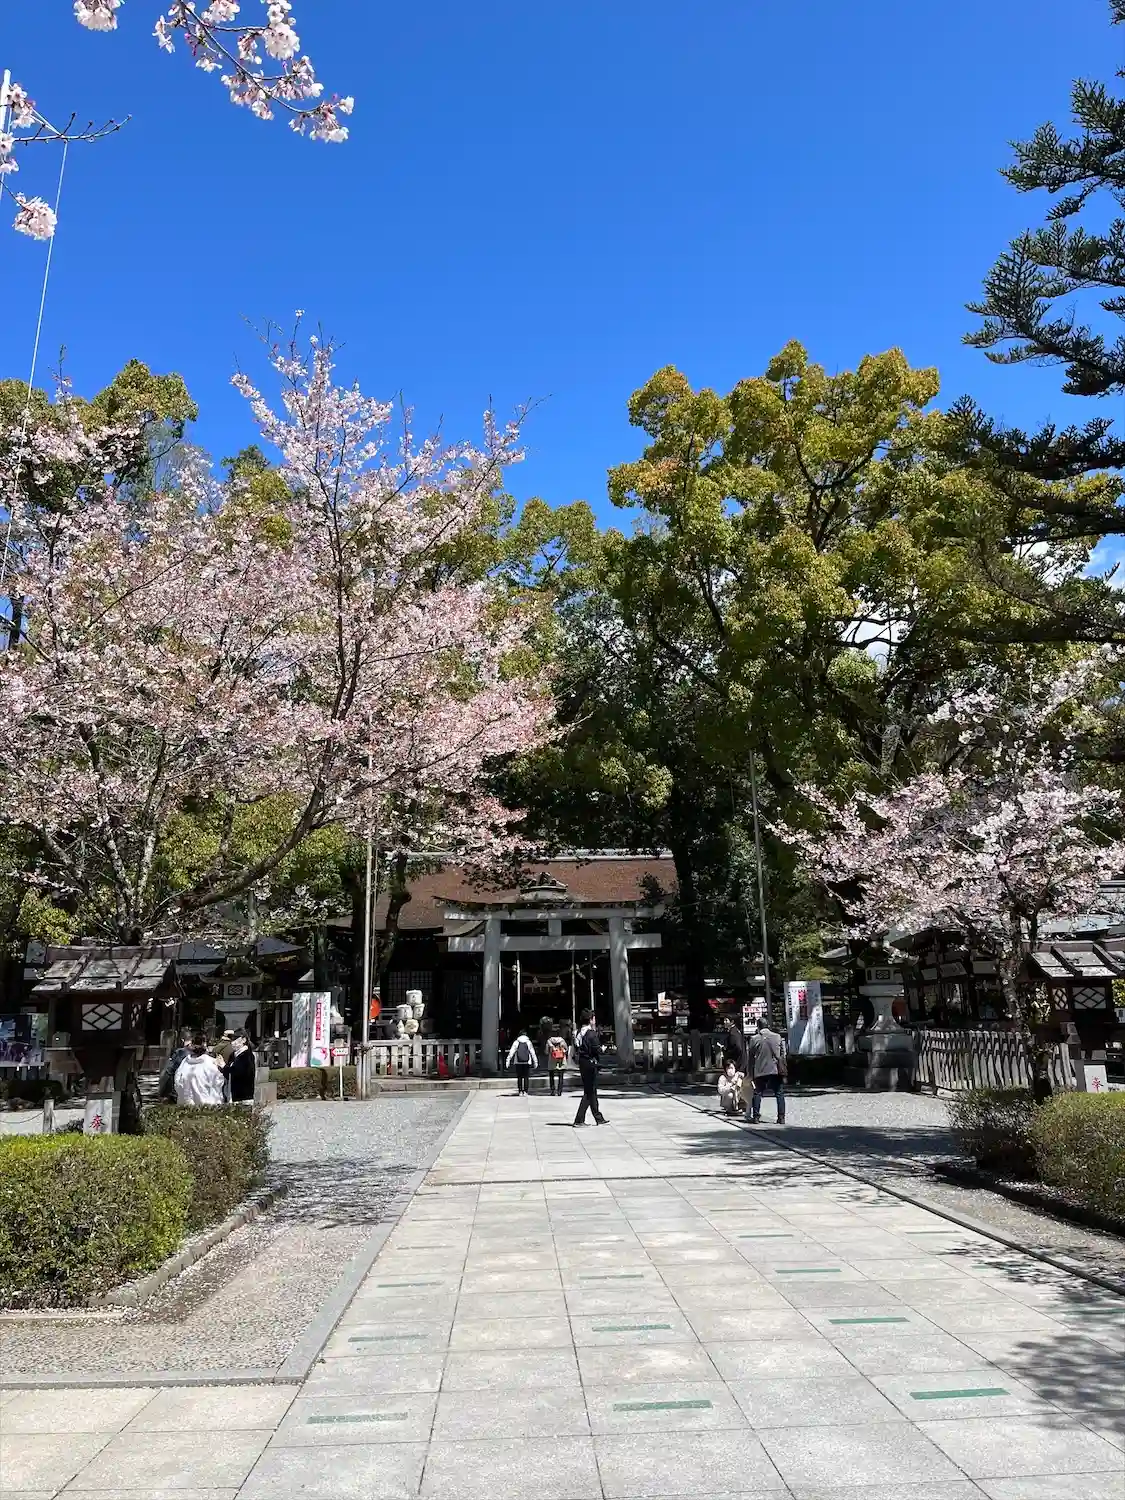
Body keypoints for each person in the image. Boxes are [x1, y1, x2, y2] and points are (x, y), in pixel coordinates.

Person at [746, 1018, 786, 1124]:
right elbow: (782, 1054)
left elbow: (750, 1058)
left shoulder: (754, 1039)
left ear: (758, 1027)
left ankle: (756, 1117)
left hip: (760, 1070)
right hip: (775, 1069)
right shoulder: (777, 1037)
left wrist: (750, 1072)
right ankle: (781, 1117)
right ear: (768, 1025)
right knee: (779, 1093)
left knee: (757, 1093)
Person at [572, 1009, 606, 1126]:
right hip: (591, 1063)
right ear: (591, 1020)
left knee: (592, 1091)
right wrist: (603, 1049)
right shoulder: (591, 1033)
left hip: (582, 1063)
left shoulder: (577, 1033)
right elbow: (597, 1049)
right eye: (594, 1018)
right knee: (589, 1092)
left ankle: (598, 1117)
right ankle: (579, 1119)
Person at [174, 1033, 227, 1106]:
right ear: (205, 1045)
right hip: (206, 1106)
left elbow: (177, 1083)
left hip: (185, 1105)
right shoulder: (211, 1063)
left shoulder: (184, 1062)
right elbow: (218, 1083)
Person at [158, 1028, 193, 1103]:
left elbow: (168, 1072)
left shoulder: (180, 1053)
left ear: (182, 1040)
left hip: (180, 1092)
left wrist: (162, 1093)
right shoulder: (200, 1052)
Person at [223, 1030, 256, 1105]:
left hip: (244, 1098)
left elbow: (237, 1073)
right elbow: (228, 1075)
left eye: (235, 1039)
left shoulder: (247, 1055)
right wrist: (222, 1067)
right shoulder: (233, 1055)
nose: (232, 1042)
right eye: (231, 1040)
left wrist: (224, 1066)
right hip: (232, 1095)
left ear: (244, 1040)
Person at [505, 1029, 538, 1095]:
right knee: (526, 1077)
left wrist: (508, 1060)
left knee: (519, 1077)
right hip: (527, 1062)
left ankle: (520, 1091)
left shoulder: (516, 1042)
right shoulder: (528, 1042)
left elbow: (511, 1052)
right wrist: (535, 1061)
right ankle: (525, 1091)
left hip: (518, 1062)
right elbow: (532, 1052)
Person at [545, 1026, 568, 1096]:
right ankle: (559, 1091)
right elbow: (566, 1049)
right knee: (560, 1076)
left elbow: (546, 1051)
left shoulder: (549, 1041)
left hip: (552, 1060)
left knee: (551, 1076)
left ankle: (552, 1090)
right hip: (561, 1060)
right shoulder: (562, 1040)